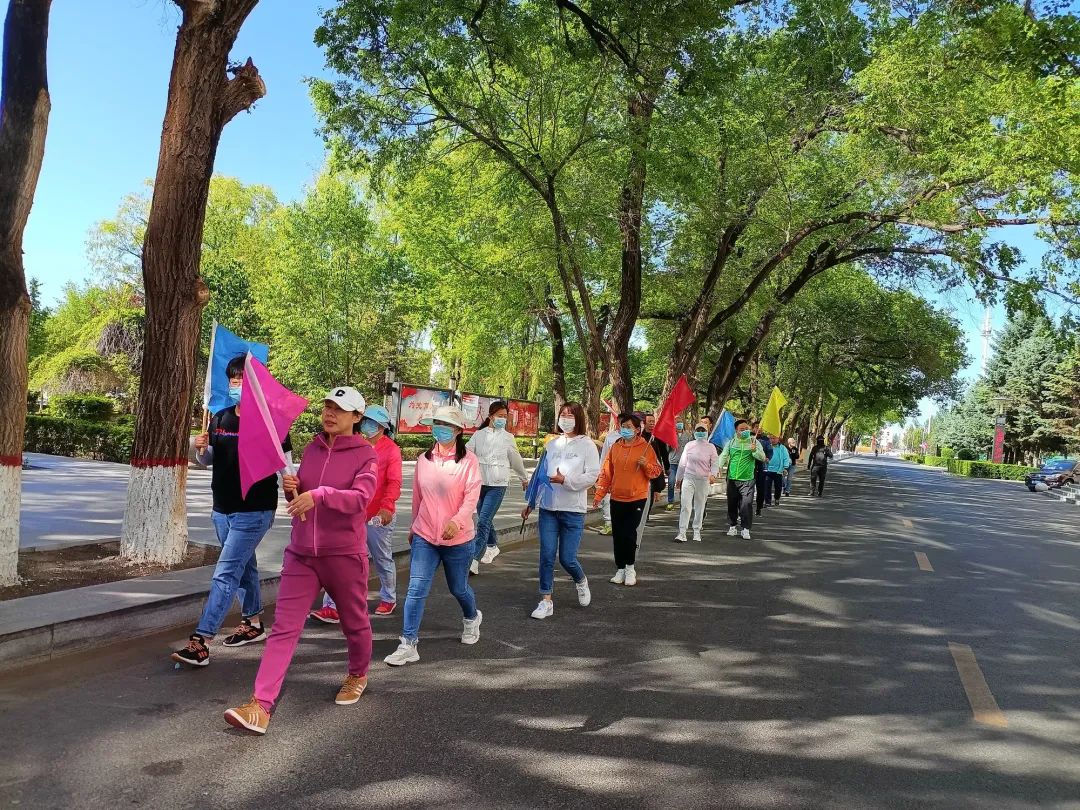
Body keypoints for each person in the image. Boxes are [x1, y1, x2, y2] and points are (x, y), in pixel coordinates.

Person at [223, 387, 378, 735]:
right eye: (327, 406)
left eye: (340, 408)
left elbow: (360, 498)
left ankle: (357, 674)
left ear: (357, 417)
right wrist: (292, 486)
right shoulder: (312, 448)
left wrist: (320, 495)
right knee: (284, 628)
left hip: (343, 555)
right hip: (302, 554)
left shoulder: (366, 455)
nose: (330, 413)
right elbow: (301, 495)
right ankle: (260, 705)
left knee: (354, 623)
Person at [172, 355, 290, 667]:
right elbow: (208, 459)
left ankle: (201, 640)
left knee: (226, 573)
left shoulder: (270, 422)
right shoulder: (220, 418)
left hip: (254, 510)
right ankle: (254, 622)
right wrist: (199, 448)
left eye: (243, 380)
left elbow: (286, 465)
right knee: (244, 566)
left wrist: (296, 491)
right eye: (233, 379)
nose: (236, 385)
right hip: (222, 509)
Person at [384, 405, 483, 666]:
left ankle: (472, 618)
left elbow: (472, 497)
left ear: (458, 430)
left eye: (446, 425)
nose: (440, 429)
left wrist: (457, 522)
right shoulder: (423, 460)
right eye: (437, 423)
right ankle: (408, 643)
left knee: (458, 588)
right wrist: (413, 527)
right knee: (416, 588)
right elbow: (418, 497)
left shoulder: (469, 461)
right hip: (425, 535)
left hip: (458, 539)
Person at [310, 404, 402, 622]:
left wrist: (387, 507)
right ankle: (332, 606)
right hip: (352, 513)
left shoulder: (391, 450)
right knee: (341, 560)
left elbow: (394, 482)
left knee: (381, 558)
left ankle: (388, 598)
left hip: (377, 515)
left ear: (382, 427)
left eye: (372, 422)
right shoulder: (355, 444)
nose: (366, 425)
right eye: (365, 420)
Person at [521, 402, 599, 620]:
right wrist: (531, 503)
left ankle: (580, 580)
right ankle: (546, 600)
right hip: (548, 509)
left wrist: (566, 481)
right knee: (546, 555)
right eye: (562, 414)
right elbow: (540, 477)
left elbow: (592, 475)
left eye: (570, 415)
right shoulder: (552, 445)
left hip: (573, 510)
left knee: (567, 558)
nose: (565, 418)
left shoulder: (587, 445)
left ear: (578, 418)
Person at [592, 413, 662, 586]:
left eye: (629, 427)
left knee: (629, 533)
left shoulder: (646, 447)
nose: (625, 430)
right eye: (623, 426)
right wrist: (599, 495)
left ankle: (630, 568)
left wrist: (646, 464)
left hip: (637, 498)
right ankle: (620, 568)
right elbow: (607, 473)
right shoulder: (615, 447)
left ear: (638, 429)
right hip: (617, 497)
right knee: (618, 534)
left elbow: (656, 472)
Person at [467, 400, 530, 575]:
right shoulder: (478, 435)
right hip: (479, 483)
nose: (503, 419)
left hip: (498, 484)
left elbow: (515, 459)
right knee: (484, 518)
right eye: (499, 416)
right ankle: (492, 545)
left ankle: (473, 559)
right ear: (490, 416)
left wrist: (524, 478)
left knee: (483, 521)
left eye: (505, 416)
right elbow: (467, 453)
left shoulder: (508, 437)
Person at [719, 419, 767, 540]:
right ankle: (732, 526)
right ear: (736, 431)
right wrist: (717, 468)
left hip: (748, 480)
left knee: (746, 504)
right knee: (732, 503)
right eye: (742, 429)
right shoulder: (731, 443)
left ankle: (746, 529)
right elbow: (723, 456)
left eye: (746, 429)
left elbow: (762, 457)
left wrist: (754, 450)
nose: (745, 431)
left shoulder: (754, 441)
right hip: (732, 479)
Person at [674, 422, 719, 543]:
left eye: (702, 430)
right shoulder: (689, 445)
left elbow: (715, 463)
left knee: (699, 506)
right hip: (689, 478)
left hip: (703, 480)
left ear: (707, 432)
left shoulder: (711, 447)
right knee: (685, 505)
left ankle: (697, 530)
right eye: (698, 430)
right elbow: (682, 463)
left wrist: (713, 474)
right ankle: (682, 532)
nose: (700, 432)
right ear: (694, 432)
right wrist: (678, 479)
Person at [593, 425, 621, 535]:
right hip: (609, 474)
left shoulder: (638, 440)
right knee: (607, 499)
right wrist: (600, 474)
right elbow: (604, 456)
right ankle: (608, 524)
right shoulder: (611, 437)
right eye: (622, 424)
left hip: (624, 478)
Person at [666, 421, 693, 512]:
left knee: (683, 484)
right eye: (677, 423)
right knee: (671, 482)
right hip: (672, 463)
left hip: (684, 463)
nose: (679, 425)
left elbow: (691, 448)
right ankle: (670, 502)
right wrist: (670, 443)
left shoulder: (688, 435)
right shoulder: (671, 435)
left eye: (680, 423)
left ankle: (683, 502)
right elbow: (666, 449)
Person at [751, 420, 774, 514]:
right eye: (757, 427)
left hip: (761, 466)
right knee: (748, 489)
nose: (759, 429)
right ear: (752, 428)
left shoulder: (766, 440)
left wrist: (768, 458)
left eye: (760, 427)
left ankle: (759, 507)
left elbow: (770, 451)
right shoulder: (749, 438)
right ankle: (746, 507)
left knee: (761, 489)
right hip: (750, 466)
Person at [765, 434, 791, 506]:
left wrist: (785, 468)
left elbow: (786, 458)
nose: (772, 440)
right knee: (767, 487)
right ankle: (767, 501)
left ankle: (777, 498)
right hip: (768, 470)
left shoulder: (782, 448)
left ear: (778, 439)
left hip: (778, 471)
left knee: (778, 487)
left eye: (774, 438)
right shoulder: (767, 446)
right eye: (771, 438)